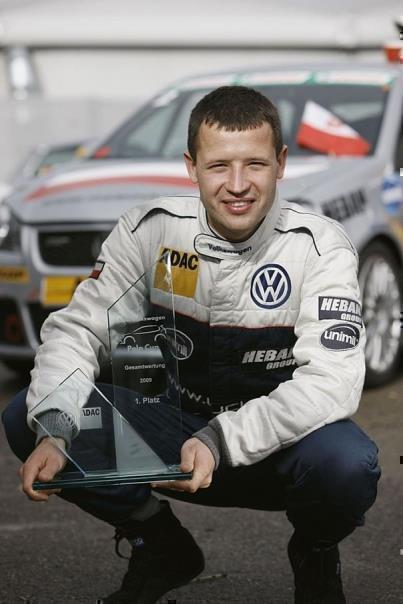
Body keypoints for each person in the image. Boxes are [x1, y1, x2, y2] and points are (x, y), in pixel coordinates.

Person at [2, 86, 381, 604]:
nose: (238, 185)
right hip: (170, 436)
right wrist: (58, 429)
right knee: (30, 413)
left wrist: (219, 439)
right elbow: (78, 331)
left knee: (348, 464)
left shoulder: (319, 245)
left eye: (256, 164)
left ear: (281, 163)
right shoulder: (149, 231)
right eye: (219, 166)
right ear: (191, 167)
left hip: (276, 449)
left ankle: (314, 552)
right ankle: (160, 544)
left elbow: (332, 382)